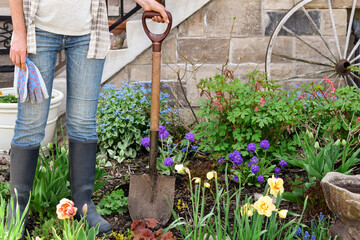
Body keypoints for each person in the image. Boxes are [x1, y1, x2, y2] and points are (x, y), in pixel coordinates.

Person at [8, 0, 168, 238]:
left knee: (83, 124)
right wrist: (18, 33)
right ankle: (17, 209)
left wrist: (145, 1)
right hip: (37, 31)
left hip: (88, 33)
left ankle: (83, 204)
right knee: (30, 125)